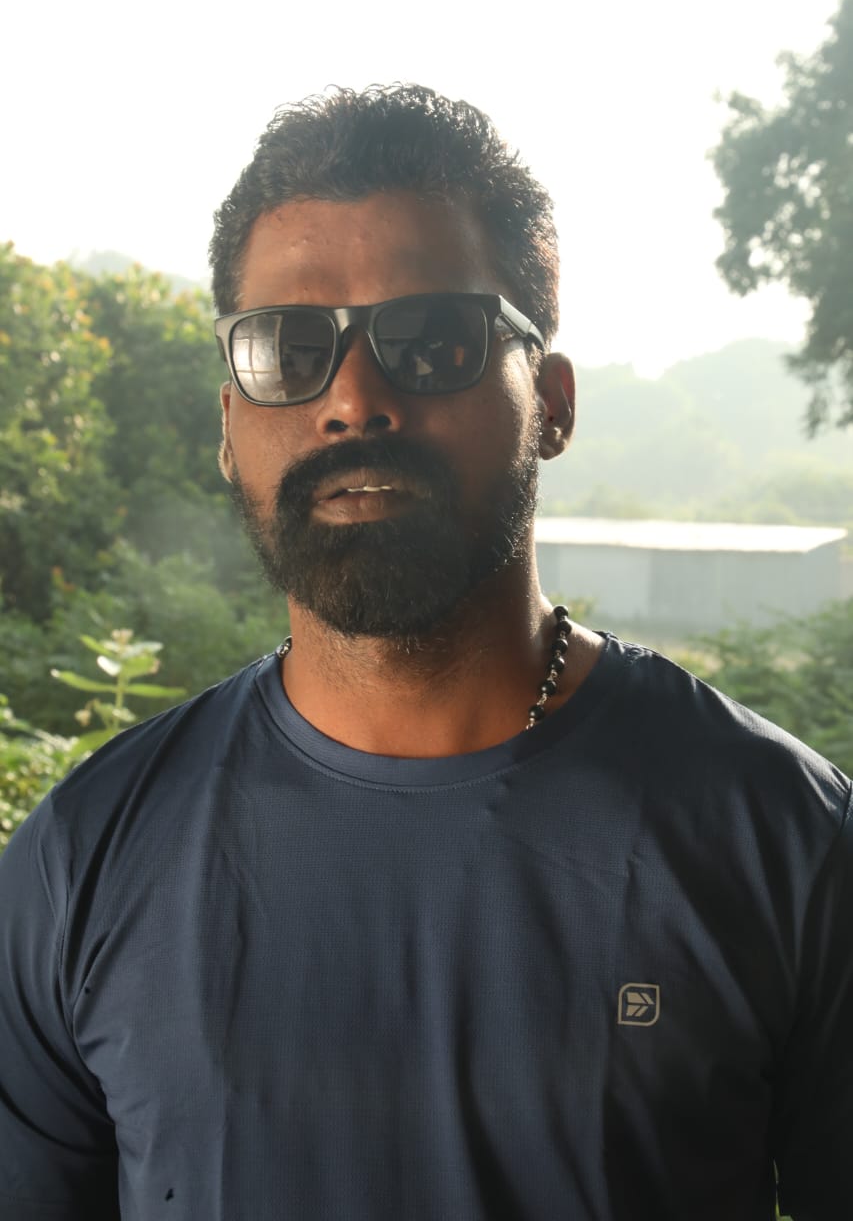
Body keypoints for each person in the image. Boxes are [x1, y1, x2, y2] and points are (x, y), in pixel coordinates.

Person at [0, 85, 850, 1221]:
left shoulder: (781, 838)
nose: (354, 398)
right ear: (227, 426)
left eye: (435, 339)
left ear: (551, 402)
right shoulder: (80, 864)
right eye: (285, 348)